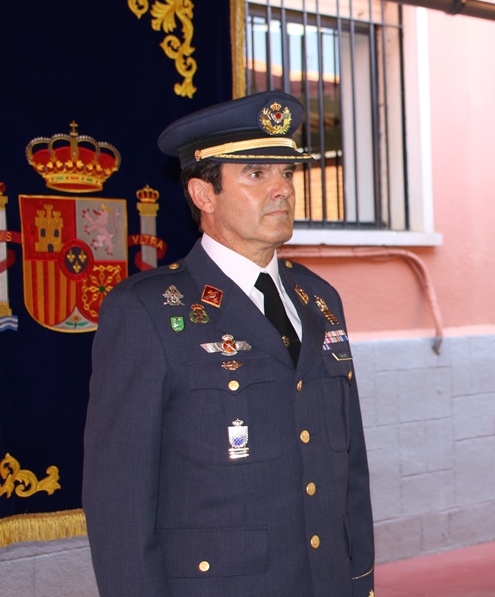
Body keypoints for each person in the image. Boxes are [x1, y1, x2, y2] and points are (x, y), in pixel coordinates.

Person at [83, 91, 376, 597]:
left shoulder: (318, 298)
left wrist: (359, 582)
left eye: (287, 173)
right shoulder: (149, 310)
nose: (283, 189)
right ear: (203, 194)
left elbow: (349, 466)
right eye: (257, 174)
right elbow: (119, 501)